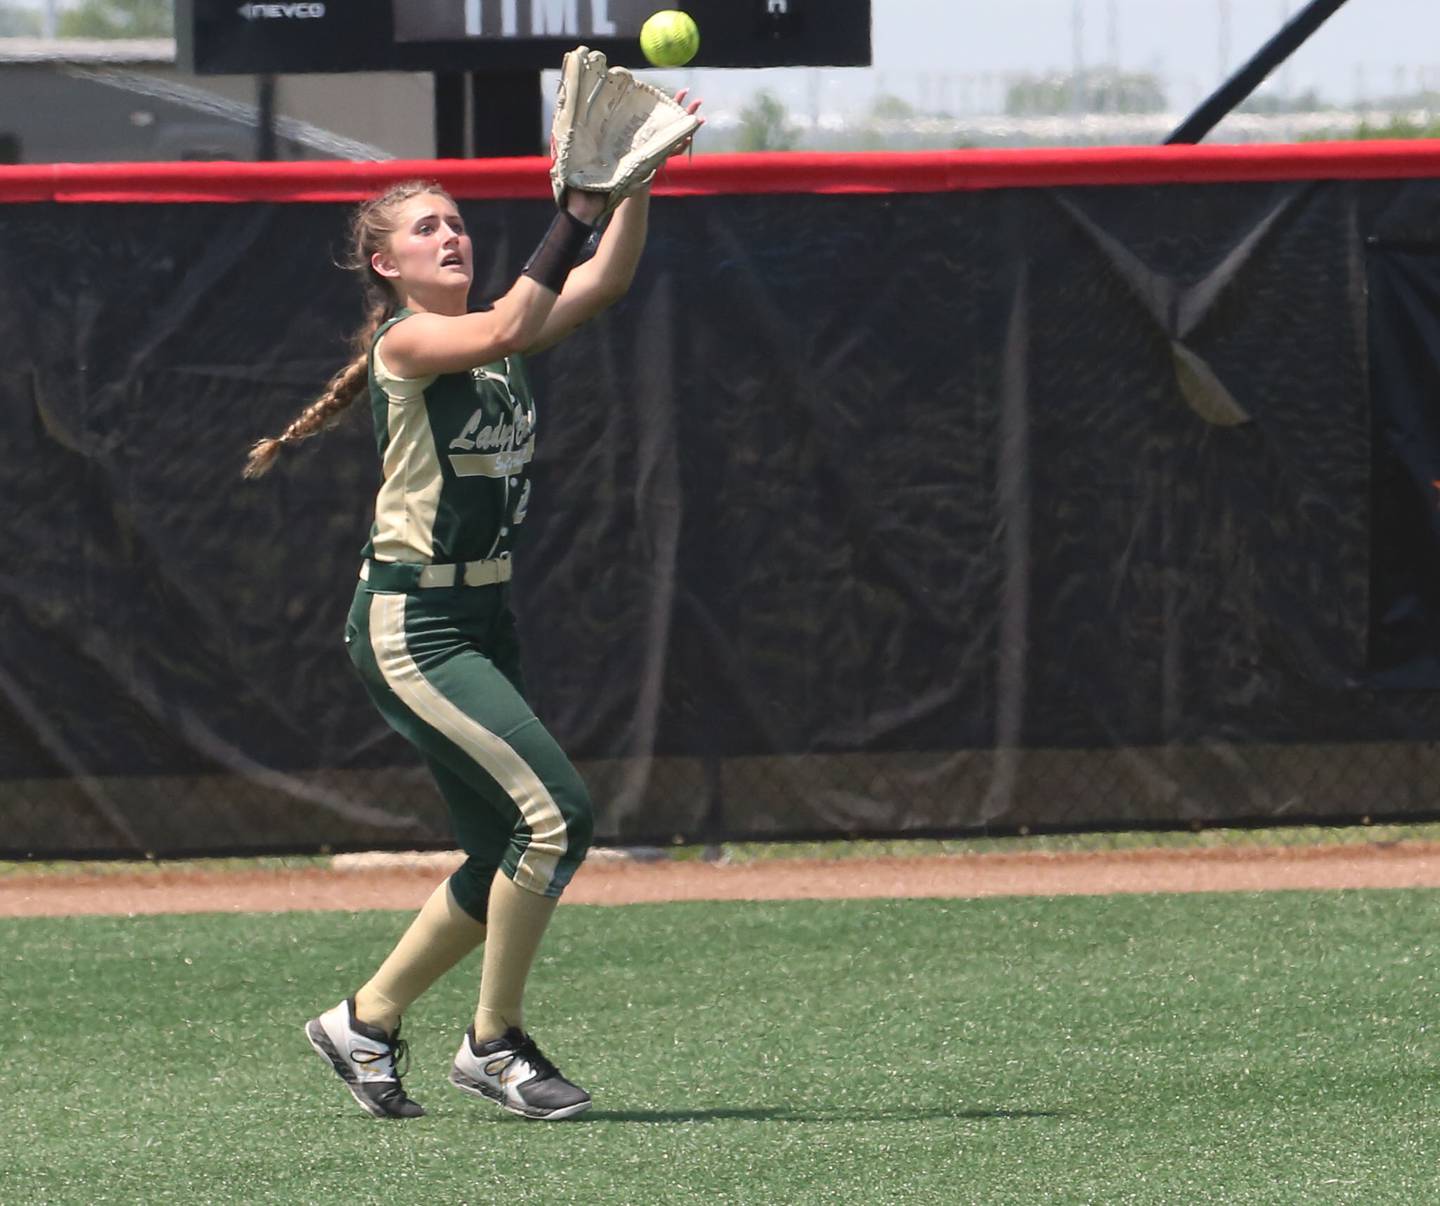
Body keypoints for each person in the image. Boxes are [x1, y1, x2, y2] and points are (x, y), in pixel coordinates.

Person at [243, 91, 703, 1121]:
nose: (449, 234)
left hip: (481, 620)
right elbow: (517, 311)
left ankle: (363, 1020)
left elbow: (605, 282)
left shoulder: (501, 340)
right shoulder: (408, 345)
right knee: (560, 819)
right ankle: (493, 1042)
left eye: (455, 221)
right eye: (424, 228)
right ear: (386, 267)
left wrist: (635, 184)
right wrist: (574, 207)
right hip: (413, 623)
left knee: (506, 847)